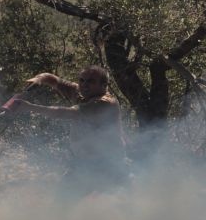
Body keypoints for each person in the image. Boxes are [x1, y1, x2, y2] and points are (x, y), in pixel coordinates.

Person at [10, 65, 129, 194]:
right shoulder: (81, 92)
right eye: (82, 80)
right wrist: (38, 80)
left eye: (90, 81)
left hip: (108, 165)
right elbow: (52, 79)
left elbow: (67, 113)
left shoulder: (104, 103)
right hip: (82, 164)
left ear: (104, 85)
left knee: (111, 207)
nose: (84, 85)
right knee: (62, 204)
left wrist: (30, 107)